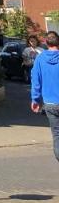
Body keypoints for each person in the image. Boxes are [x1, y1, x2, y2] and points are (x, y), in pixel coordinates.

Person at [30, 30, 59, 162]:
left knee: (57, 134)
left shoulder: (40, 59)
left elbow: (36, 81)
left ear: (46, 43)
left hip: (50, 104)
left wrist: (35, 100)